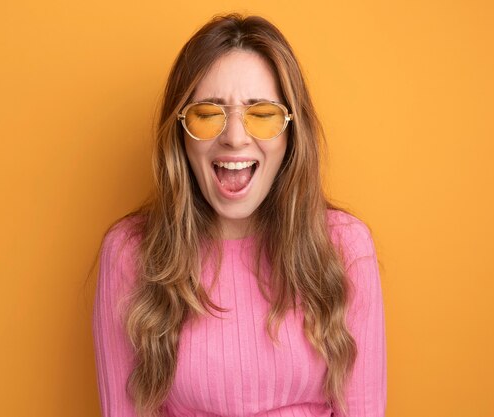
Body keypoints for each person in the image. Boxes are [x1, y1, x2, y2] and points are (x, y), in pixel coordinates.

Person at [93, 14, 386, 417]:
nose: (234, 136)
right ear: (180, 132)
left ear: (290, 133)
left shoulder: (345, 247)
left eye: (262, 114)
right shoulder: (130, 254)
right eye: (208, 113)